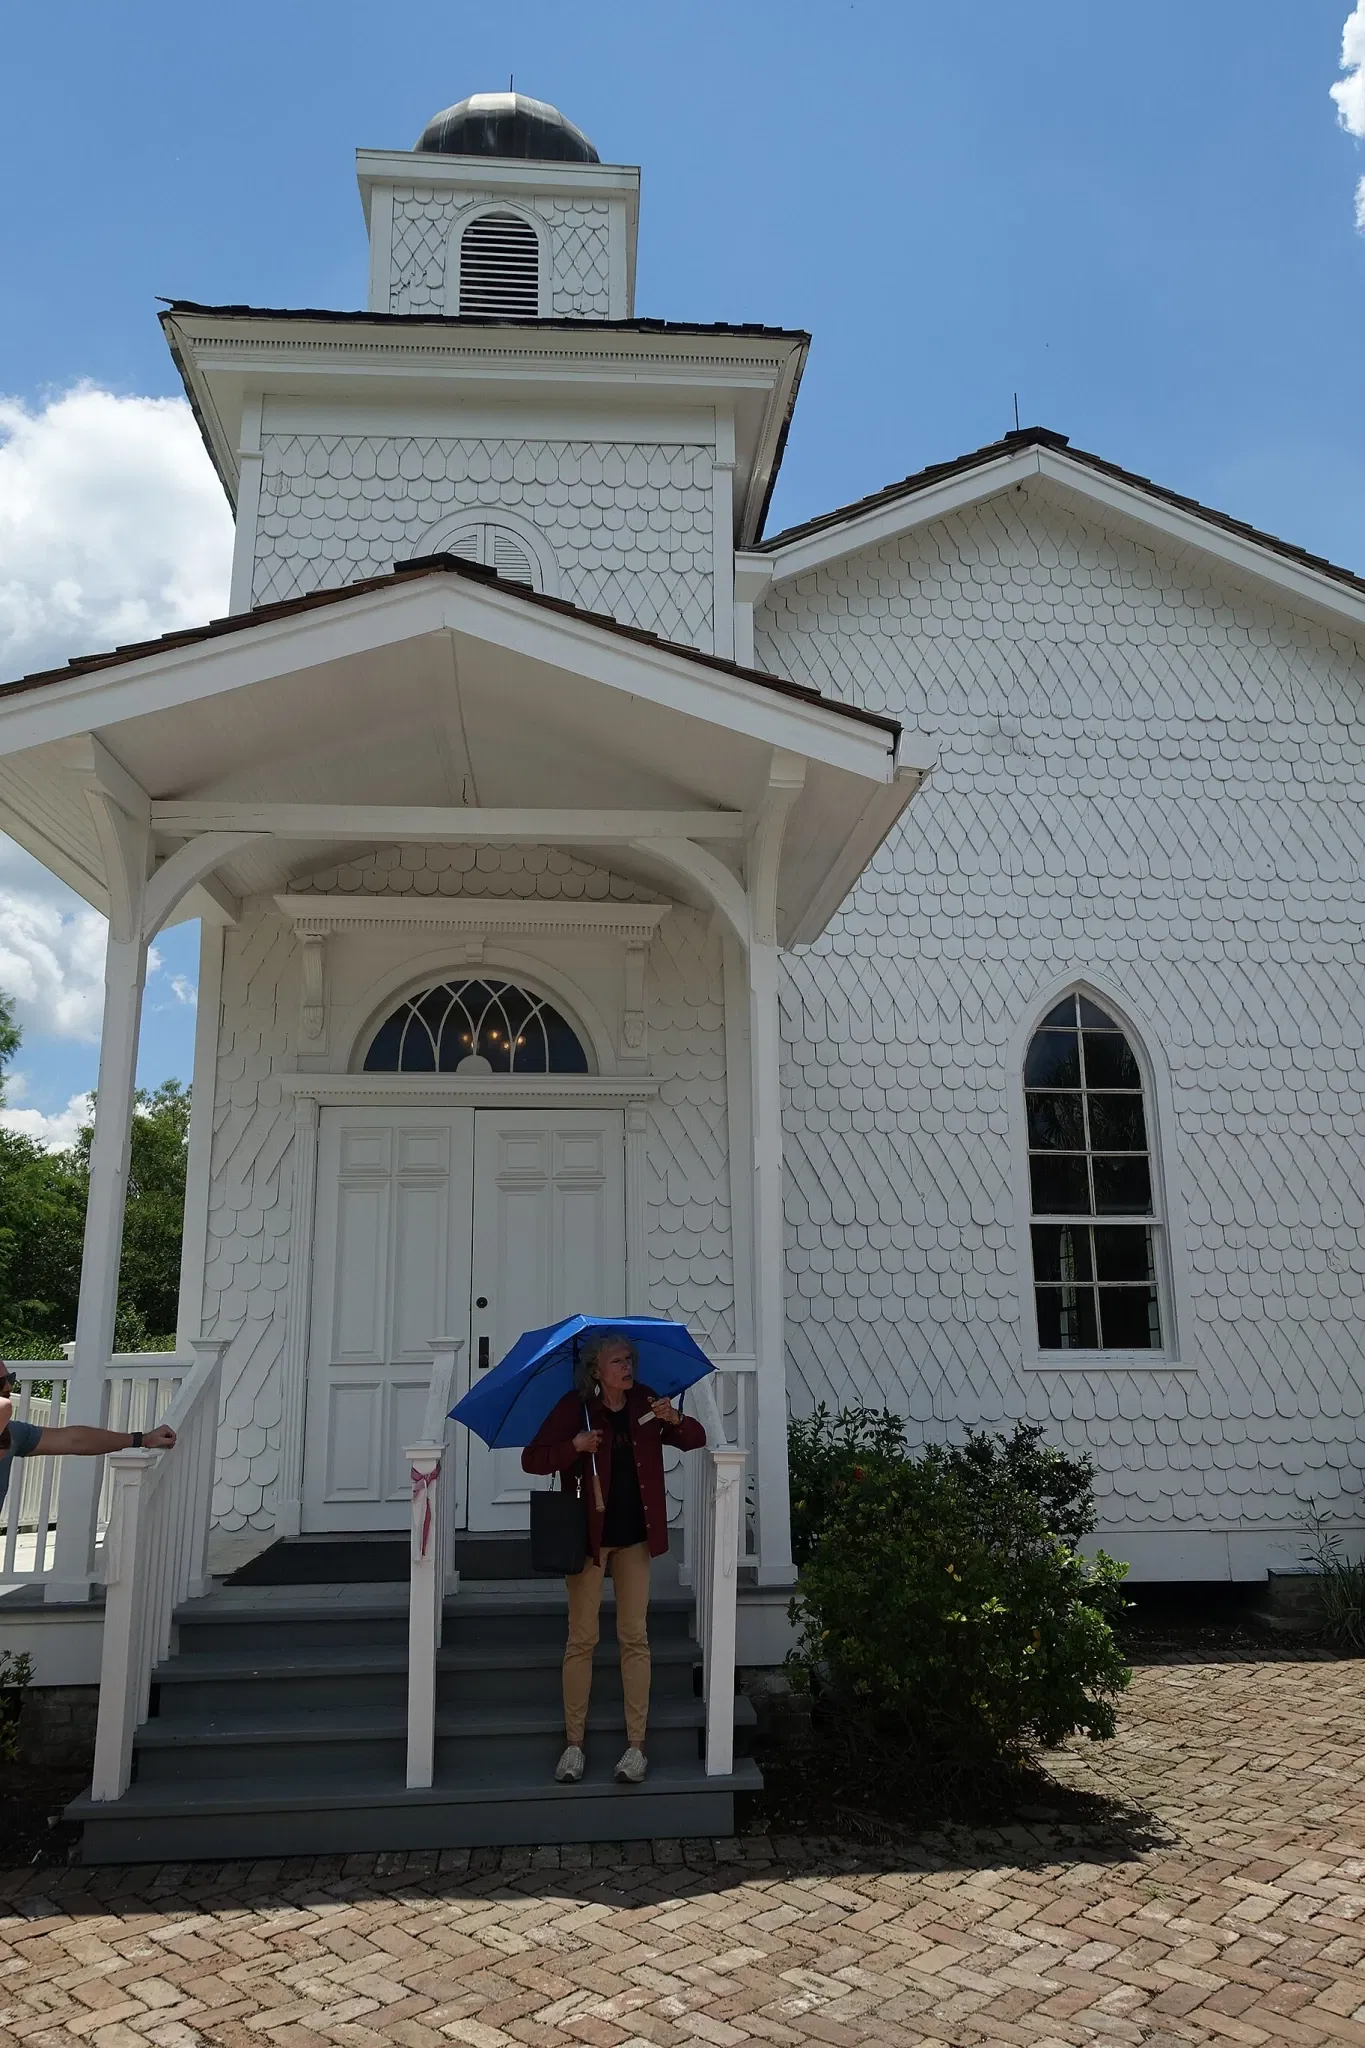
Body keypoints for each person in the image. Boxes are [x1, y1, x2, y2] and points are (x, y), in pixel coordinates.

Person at [522, 1330, 705, 1786]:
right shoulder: (574, 1409)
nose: (628, 1367)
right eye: (619, 1361)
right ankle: (574, 1745)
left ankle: (636, 1747)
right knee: (582, 1639)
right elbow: (533, 1459)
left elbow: (694, 1438)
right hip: (588, 1542)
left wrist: (673, 1416)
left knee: (634, 1637)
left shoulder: (646, 1401)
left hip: (635, 1539)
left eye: (630, 1359)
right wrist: (573, 1448)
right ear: (596, 1371)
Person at [0, 1359, 177, 1523]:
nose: (8, 1386)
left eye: (10, 1378)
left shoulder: (14, 1433)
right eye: (1, 1382)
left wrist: (143, 1439)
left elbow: (75, 1440)